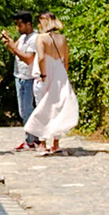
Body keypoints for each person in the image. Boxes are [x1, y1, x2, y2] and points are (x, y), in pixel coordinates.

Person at [23, 11, 79, 155]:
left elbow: (41, 58)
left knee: (42, 108)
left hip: (45, 75)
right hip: (60, 76)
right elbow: (66, 61)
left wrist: (43, 74)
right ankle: (55, 143)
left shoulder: (41, 38)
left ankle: (42, 143)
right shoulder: (63, 39)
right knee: (57, 109)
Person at [0, 13, 40, 150]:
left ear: (28, 24)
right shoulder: (23, 38)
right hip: (19, 76)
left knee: (27, 110)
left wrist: (13, 47)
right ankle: (34, 137)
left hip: (29, 78)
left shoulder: (34, 39)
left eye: (20, 25)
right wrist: (9, 42)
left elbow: (28, 59)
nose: (18, 28)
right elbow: (15, 51)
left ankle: (31, 139)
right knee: (23, 111)